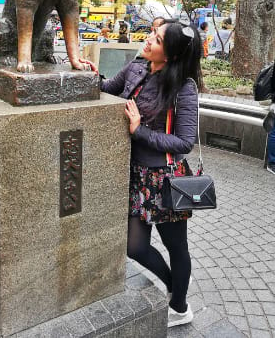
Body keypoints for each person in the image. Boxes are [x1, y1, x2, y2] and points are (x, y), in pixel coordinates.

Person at [81, 20, 202, 328]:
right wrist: (88, 73)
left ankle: (179, 306)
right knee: (134, 247)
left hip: (164, 180)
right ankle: (175, 287)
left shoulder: (183, 87)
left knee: (177, 247)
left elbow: (184, 142)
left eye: (158, 40)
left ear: (172, 54)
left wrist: (140, 131)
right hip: (135, 175)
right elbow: (108, 90)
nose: (149, 40)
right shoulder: (137, 68)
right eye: (152, 34)